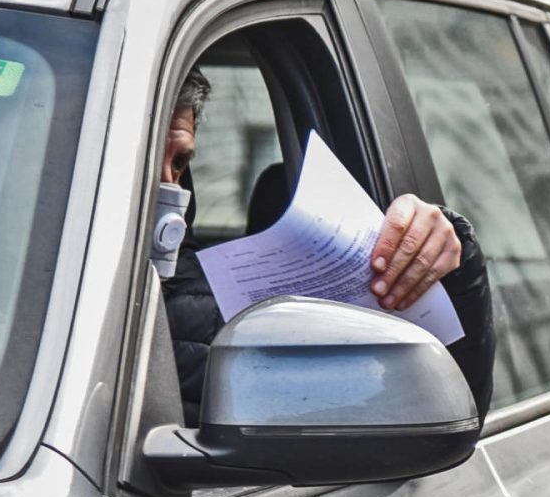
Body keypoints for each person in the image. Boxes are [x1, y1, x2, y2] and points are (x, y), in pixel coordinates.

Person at [156, 67, 492, 422]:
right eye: (144, 160)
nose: (167, 185)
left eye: (179, 163)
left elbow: (441, 413)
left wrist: (446, 261)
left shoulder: (216, 308)